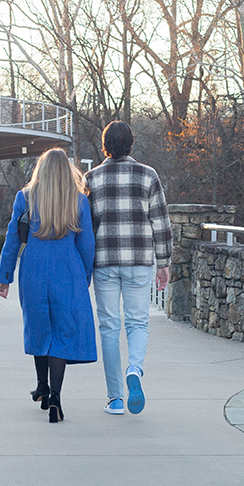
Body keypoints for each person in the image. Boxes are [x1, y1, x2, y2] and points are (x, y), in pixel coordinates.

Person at [0, 148, 96, 423]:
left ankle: (41, 385)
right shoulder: (78, 201)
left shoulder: (26, 198)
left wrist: (5, 276)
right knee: (62, 332)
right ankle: (54, 396)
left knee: (40, 327)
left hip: (34, 270)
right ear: (67, 171)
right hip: (68, 269)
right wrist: (85, 276)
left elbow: (13, 239)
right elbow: (87, 245)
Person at [83, 121, 172, 416]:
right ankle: (134, 368)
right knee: (137, 323)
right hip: (138, 260)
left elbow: (86, 228)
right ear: (131, 144)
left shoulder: (91, 179)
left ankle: (115, 399)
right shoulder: (148, 175)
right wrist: (164, 262)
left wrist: (83, 266)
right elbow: (160, 222)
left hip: (105, 262)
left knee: (109, 328)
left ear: (104, 145)